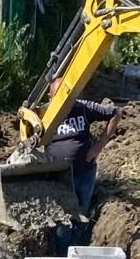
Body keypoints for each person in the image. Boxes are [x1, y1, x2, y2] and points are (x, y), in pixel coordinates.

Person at [45, 81, 119, 248]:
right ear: (50, 97)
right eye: (59, 98)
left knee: (81, 212)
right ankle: (63, 253)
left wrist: (99, 145)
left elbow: (115, 113)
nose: (64, 103)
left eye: (67, 98)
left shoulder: (83, 107)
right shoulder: (45, 114)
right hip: (58, 177)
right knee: (62, 219)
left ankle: (78, 244)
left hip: (84, 173)